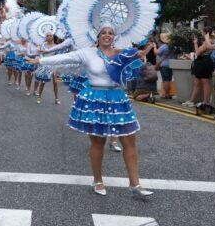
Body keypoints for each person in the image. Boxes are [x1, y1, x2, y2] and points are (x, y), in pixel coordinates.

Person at [28, 25, 153, 197]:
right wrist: (39, 61)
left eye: (110, 33)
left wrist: (139, 55)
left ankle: (135, 184)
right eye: (103, 33)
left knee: (130, 141)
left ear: (114, 37)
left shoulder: (123, 53)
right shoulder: (87, 53)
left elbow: (137, 65)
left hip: (117, 98)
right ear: (98, 36)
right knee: (98, 143)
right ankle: (97, 180)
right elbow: (64, 57)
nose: (107, 36)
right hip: (95, 99)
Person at [183, 30, 213, 109]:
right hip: (200, 62)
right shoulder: (207, 41)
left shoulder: (208, 41)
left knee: (205, 83)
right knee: (197, 83)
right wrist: (196, 43)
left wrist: (195, 44)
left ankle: (206, 102)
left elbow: (197, 53)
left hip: (204, 63)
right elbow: (198, 53)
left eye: (203, 32)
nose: (202, 34)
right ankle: (192, 100)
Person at [35, 32, 60, 105]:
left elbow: (58, 57)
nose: (49, 37)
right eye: (47, 36)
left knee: (55, 82)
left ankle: (56, 98)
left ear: (52, 37)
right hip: (45, 65)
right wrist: (40, 52)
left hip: (53, 65)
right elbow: (39, 54)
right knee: (43, 82)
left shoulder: (56, 46)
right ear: (45, 37)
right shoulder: (42, 45)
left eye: (50, 36)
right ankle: (39, 97)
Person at [155, 33, 173, 99]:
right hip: (171, 64)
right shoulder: (173, 46)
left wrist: (154, 47)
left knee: (165, 80)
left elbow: (156, 53)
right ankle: (168, 94)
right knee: (169, 79)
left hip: (164, 65)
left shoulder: (164, 47)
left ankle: (166, 94)